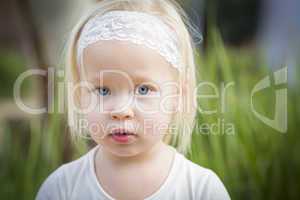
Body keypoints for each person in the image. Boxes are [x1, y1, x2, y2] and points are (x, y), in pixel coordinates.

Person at [36, 0, 230, 199]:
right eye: (102, 90)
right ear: (80, 96)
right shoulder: (61, 188)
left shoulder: (201, 189)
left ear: (178, 97)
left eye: (144, 89)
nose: (120, 110)